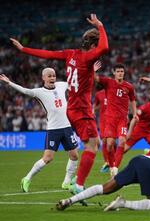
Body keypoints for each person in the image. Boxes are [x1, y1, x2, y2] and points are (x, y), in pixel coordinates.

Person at [10, 14, 109, 194]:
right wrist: (100, 26)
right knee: (92, 146)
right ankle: (77, 185)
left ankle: (71, 182)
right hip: (80, 109)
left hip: (70, 111)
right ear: (92, 46)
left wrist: (24, 49)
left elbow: (47, 54)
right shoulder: (87, 58)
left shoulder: (70, 54)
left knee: (82, 150)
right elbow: (105, 47)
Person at [0, 69, 78, 192]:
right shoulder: (39, 92)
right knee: (48, 158)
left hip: (67, 127)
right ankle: (27, 178)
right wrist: (9, 83)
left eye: (54, 76)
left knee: (74, 156)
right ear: (44, 78)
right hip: (53, 129)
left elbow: (77, 82)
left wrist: (90, 72)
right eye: (49, 76)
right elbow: (25, 90)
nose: (52, 78)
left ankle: (66, 182)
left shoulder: (62, 85)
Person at [95, 64, 136, 177]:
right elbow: (96, 78)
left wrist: (135, 113)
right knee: (109, 144)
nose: (120, 73)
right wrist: (93, 71)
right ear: (114, 73)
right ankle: (111, 164)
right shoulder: (108, 82)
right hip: (110, 119)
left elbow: (133, 100)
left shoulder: (129, 86)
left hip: (122, 119)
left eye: (122, 71)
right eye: (118, 71)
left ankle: (115, 168)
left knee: (122, 141)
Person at [93, 89, 110, 173]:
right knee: (104, 141)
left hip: (113, 119)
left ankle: (112, 161)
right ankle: (107, 162)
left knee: (111, 142)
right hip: (103, 121)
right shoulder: (98, 94)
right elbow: (96, 105)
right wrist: (92, 110)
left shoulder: (114, 91)